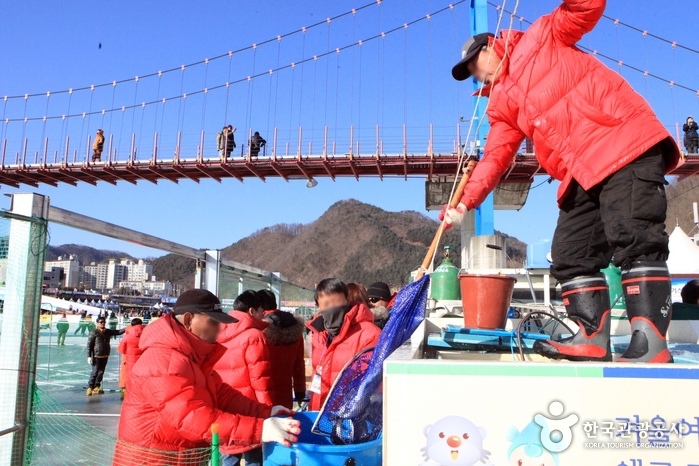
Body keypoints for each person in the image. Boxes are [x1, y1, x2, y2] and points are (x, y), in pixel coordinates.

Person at [443, 0, 681, 363]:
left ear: (491, 47)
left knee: (635, 238)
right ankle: (591, 337)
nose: (477, 76)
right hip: (580, 171)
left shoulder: (543, 35)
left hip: (621, 141)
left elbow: (585, 8)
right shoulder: (501, 104)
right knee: (570, 255)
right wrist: (463, 203)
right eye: (471, 74)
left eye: (475, 65)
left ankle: (650, 343)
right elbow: (494, 158)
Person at [115, 289, 300, 465]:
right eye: (213, 322)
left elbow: (223, 395)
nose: (219, 329)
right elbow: (195, 420)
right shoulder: (164, 361)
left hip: (177, 457)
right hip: (152, 460)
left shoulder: (191, 356)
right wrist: (261, 429)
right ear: (188, 320)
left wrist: (266, 412)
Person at [213, 290, 272, 466]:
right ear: (252, 311)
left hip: (225, 404)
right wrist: (267, 411)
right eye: (262, 310)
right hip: (249, 407)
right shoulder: (254, 336)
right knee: (254, 456)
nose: (264, 314)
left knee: (230, 455)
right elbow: (261, 381)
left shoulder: (218, 333)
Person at [306, 278, 381, 411]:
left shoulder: (370, 333)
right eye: (326, 303)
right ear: (319, 307)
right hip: (318, 412)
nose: (332, 307)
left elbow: (373, 381)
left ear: (347, 300)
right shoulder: (319, 335)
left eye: (336, 301)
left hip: (349, 416)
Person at [264, 308, 306, 410]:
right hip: (285, 393)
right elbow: (299, 365)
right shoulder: (297, 334)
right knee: (285, 421)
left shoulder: (263, 334)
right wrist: (300, 392)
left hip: (265, 392)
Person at [87, 315, 125, 395]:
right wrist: (89, 356)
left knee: (101, 372)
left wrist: (127, 328)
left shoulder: (107, 331)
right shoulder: (94, 332)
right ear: (97, 323)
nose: (103, 324)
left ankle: (96, 387)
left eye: (104, 322)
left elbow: (118, 332)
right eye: (101, 322)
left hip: (105, 354)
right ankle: (90, 387)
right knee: (95, 371)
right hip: (96, 355)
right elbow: (89, 345)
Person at [117, 318, 144, 396]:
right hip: (142, 361)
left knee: (129, 377)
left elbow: (121, 349)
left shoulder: (127, 336)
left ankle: (127, 393)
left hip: (130, 360)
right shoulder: (147, 334)